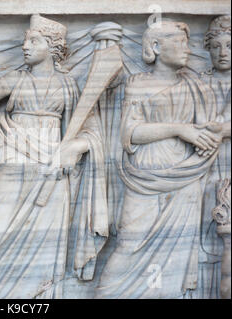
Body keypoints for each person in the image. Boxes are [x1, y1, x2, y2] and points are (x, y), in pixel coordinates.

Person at [0, 14, 108, 298]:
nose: (25, 45)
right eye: (25, 39)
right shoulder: (17, 78)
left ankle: (38, 299)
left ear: (52, 47)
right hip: (14, 165)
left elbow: (91, 133)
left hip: (51, 172)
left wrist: (73, 148)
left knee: (44, 245)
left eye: (33, 40)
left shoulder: (68, 85)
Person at [96, 21, 221, 298]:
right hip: (145, 175)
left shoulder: (195, 86)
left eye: (187, 43)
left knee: (175, 253)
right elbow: (131, 133)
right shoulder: (138, 84)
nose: (187, 49)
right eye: (178, 43)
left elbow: (206, 131)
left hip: (186, 176)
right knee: (129, 242)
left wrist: (207, 139)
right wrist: (178, 128)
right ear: (155, 47)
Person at [196, 15, 231, 299]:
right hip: (204, 164)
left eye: (230, 46)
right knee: (206, 231)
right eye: (217, 46)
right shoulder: (199, 83)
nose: (223, 53)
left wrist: (221, 129)